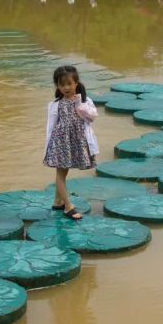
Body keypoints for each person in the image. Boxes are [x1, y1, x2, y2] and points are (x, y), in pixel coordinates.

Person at [43, 64, 99, 218]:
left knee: (63, 173)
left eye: (69, 83)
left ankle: (58, 201)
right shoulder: (55, 104)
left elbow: (93, 116)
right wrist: (49, 148)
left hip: (77, 141)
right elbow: (51, 127)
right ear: (57, 86)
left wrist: (79, 103)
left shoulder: (84, 100)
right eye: (62, 84)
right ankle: (68, 207)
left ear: (76, 83)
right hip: (61, 142)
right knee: (61, 174)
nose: (66, 87)